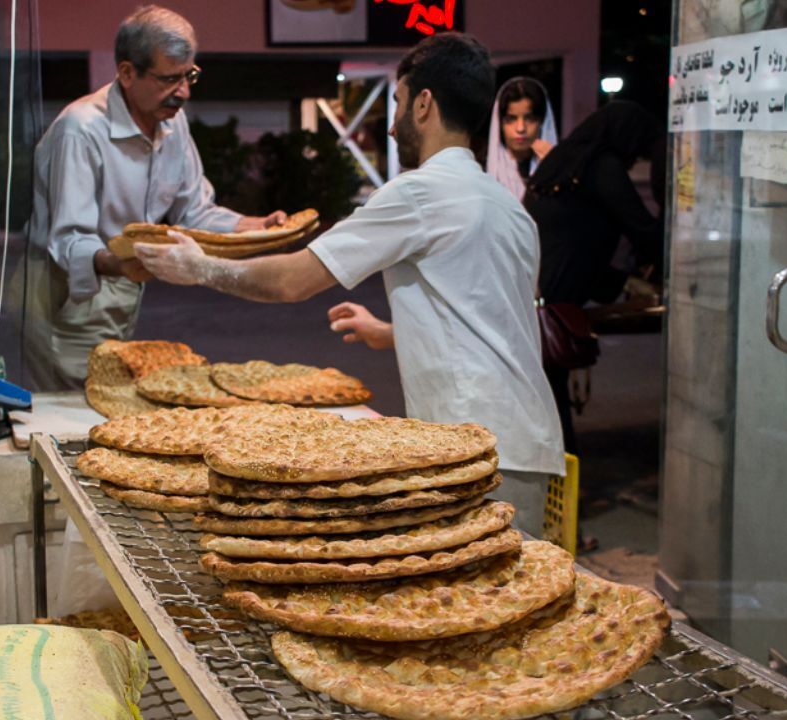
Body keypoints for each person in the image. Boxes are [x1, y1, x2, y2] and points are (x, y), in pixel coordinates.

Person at [134, 32, 565, 537]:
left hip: (472, 445)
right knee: (511, 601)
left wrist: (200, 266)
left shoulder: (421, 192)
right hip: (527, 443)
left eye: (399, 104)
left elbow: (293, 280)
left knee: (469, 603)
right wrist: (391, 330)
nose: (390, 124)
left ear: (424, 104)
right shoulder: (506, 206)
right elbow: (491, 314)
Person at [25, 5, 286, 389]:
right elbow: (68, 239)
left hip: (124, 280)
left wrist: (255, 227)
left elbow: (193, 210)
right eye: (169, 79)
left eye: (189, 76)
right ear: (127, 73)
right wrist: (121, 263)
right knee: (77, 409)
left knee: (112, 400)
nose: (182, 92)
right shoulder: (80, 130)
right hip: (70, 292)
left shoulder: (171, 121)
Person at [521, 100, 664, 455]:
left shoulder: (558, 163)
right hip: (552, 300)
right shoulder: (602, 168)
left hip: (530, 290)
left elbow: (572, 238)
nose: (635, 159)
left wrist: (621, 281)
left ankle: (551, 481)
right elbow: (642, 228)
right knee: (552, 402)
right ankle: (558, 485)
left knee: (543, 399)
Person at [485, 76, 557, 201]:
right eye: (511, 119)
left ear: (542, 122)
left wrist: (552, 169)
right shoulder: (481, 170)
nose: (520, 128)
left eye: (529, 119)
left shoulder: (561, 170)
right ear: (499, 124)